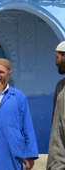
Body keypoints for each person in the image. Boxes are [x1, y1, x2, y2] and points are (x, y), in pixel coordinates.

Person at [46, 41, 65, 170]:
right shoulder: (60, 86)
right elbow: (56, 124)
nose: (55, 62)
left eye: (57, 57)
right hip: (58, 161)